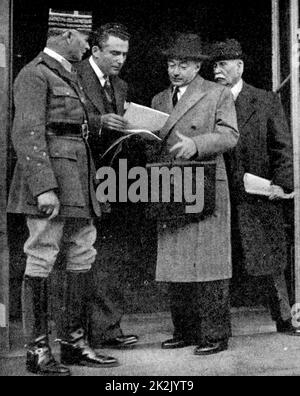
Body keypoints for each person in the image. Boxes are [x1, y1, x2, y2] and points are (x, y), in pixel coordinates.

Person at [7, 26, 120, 376]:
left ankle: (73, 343)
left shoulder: (68, 74)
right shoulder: (35, 73)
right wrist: (42, 186)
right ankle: (38, 350)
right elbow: (27, 131)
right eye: (86, 38)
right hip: (52, 181)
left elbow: (72, 122)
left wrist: (100, 121)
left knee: (82, 252)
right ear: (67, 35)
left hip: (77, 180)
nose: (89, 45)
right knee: (42, 254)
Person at [151, 33, 239, 356]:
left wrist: (197, 144)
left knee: (210, 263)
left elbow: (230, 136)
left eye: (183, 64)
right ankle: (185, 331)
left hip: (205, 186)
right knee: (176, 262)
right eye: (171, 64)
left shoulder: (217, 94)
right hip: (170, 184)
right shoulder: (160, 99)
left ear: (197, 66)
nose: (175, 70)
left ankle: (215, 334)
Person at [210, 39, 299, 335]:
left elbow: (282, 146)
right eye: (214, 65)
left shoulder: (264, 100)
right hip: (219, 192)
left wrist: (281, 185)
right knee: (218, 260)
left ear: (240, 66)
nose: (217, 70)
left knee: (270, 258)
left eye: (223, 64)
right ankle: (217, 327)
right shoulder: (208, 100)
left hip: (257, 193)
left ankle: (284, 319)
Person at [76, 23, 139, 349]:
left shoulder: (121, 86)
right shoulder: (72, 75)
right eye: (114, 53)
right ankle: (78, 334)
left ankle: (107, 329)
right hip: (79, 179)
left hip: (113, 180)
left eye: (124, 54)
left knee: (110, 256)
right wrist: (100, 123)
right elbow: (64, 115)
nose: (120, 60)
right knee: (77, 257)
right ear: (95, 50)